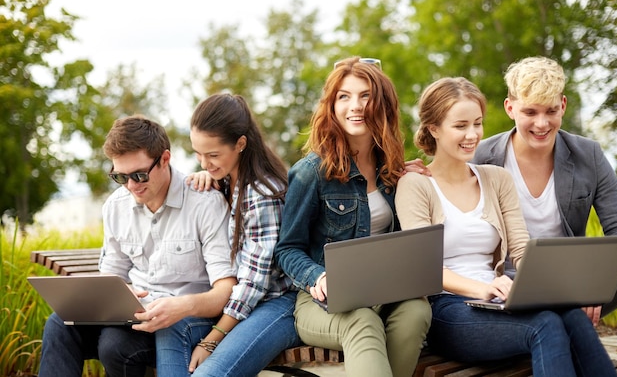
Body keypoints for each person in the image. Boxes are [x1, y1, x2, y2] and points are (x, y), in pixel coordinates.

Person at [396, 76, 617, 376]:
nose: (472, 134)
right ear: (433, 128)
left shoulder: (496, 178)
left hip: (498, 300)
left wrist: (541, 288)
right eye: (460, 126)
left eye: (477, 123)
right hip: (448, 309)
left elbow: (521, 249)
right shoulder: (415, 185)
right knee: (546, 326)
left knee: (571, 315)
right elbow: (424, 269)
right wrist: (483, 288)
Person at [38, 115, 237, 377]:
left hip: (185, 321)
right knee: (59, 323)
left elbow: (227, 288)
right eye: (120, 176)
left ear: (165, 159)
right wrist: (120, 292)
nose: (131, 186)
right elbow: (112, 275)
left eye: (139, 175)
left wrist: (183, 306)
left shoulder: (205, 203)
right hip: (134, 317)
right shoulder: (115, 206)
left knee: (115, 346)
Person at [274, 57, 432, 377]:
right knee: (363, 321)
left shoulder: (392, 170)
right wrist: (319, 277)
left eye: (365, 96)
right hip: (321, 303)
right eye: (343, 97)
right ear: (331, 107)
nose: (355, 106)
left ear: (382, 104)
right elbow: (287, 249)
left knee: (417, 311)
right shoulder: (311, 173)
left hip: (383, 292)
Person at [473, 56, 617, 319]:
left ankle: (569, 317)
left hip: (568, 284)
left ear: (563, 105)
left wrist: (590, 285)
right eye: (530, 112)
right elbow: (440, 181)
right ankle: (562, 323)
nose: (542, 124)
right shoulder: (481, 155)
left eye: (551, 111)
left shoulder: (588, 154)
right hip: (501, 284)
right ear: (510, 108)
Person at [174, 94, 300, 376]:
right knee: (172, 329)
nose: (204, 163)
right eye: (198, 153)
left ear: (241, 144)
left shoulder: (262, 194)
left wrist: (211, 341)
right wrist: (211, 174)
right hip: (248, 304)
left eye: (213, 154)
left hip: (278, 304)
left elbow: (254, 285)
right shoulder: (229, 181)